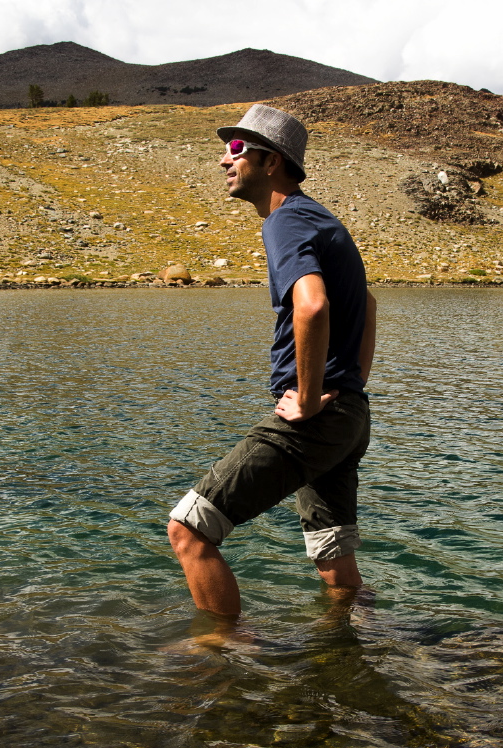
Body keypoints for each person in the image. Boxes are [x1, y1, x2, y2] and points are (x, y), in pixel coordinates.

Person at [167, 104, 376, 617]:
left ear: (271, 161)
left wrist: (307, 398)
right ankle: (360, 648)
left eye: (236, 149)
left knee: (189, 530)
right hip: (346, 413)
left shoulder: (286, 220)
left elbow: (312, 305)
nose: (224, 160)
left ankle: (224, 653)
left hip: (317, 416)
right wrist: (349, 384)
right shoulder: (320, 218)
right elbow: (368, 305)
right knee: (335, 558)